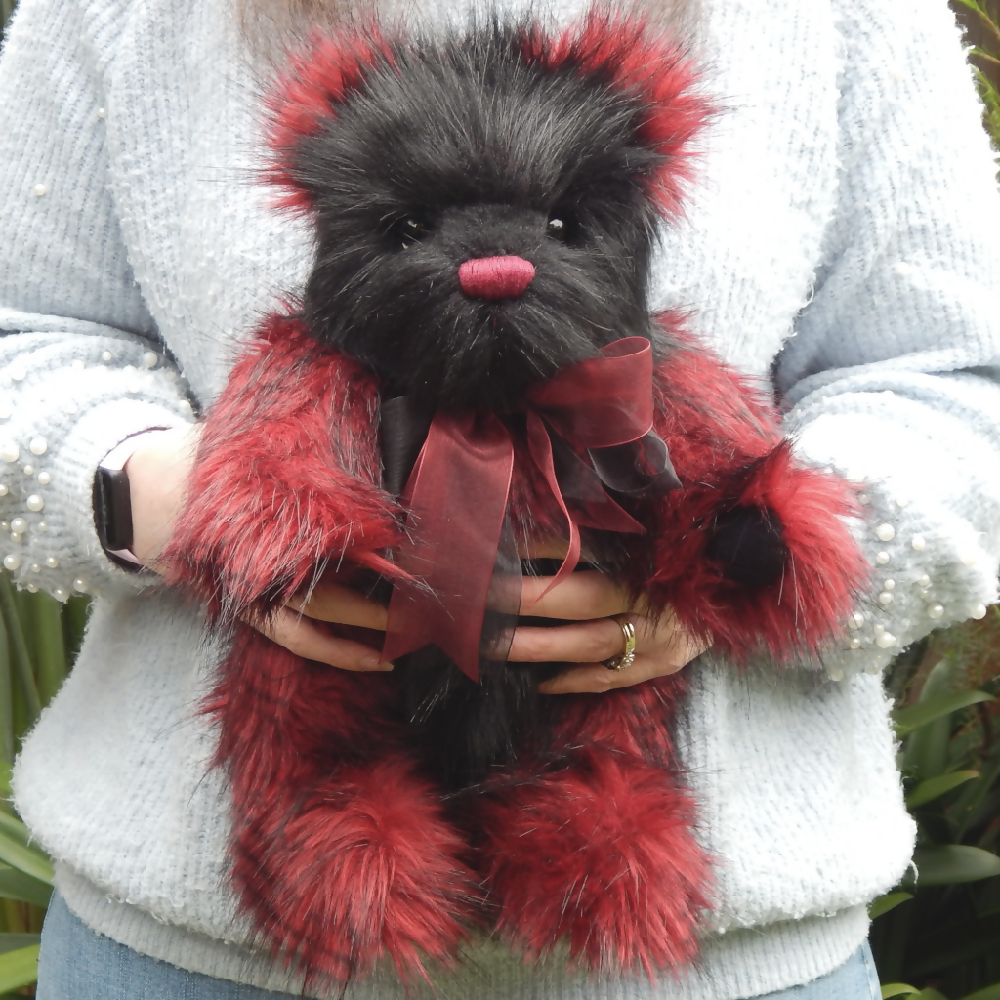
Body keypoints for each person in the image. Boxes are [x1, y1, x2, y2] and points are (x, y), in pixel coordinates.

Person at [1, 0, 998, 995]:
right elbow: (25, 334)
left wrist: (739, 562)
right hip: (190, 959)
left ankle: (604, 854)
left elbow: (950, 381)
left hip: (723, 965)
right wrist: (155, 493)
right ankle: (333, 858)